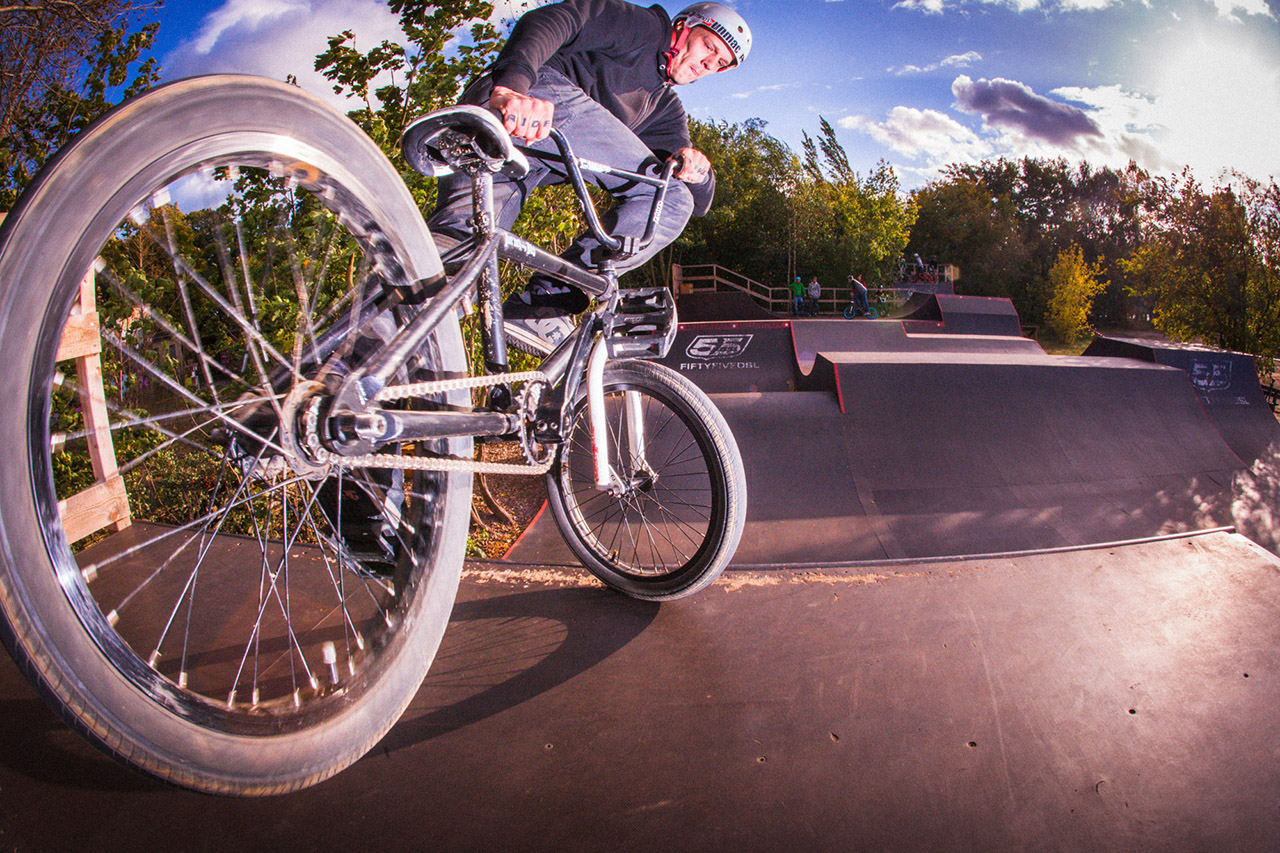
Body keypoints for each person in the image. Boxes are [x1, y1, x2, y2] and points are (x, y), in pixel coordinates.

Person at [426, 0, 753, 354]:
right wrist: (512, 87)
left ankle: (366, 358)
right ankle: (545, 301)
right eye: (709, 46)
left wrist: (699, 171)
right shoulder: (643, 28)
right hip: (529, 99)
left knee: (448, 266)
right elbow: (554, 18)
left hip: (509, 159)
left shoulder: (664, 108)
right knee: (670, 197)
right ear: (684, 27)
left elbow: (699, 203)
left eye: (720, 63)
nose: (709, 63)